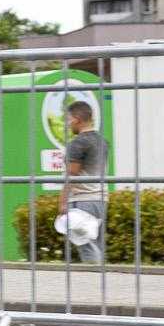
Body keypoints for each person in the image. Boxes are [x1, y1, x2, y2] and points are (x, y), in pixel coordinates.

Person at [59, 99, 108, 265]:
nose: (67, 124)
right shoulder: (102, 141)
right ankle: (101, 275)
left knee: (86, 245)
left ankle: (93, 277)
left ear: (76, 119)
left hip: (82, 200)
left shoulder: (77, 143)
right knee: (96, 243)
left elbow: (71, 174)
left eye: (68, 119)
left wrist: (62, 202)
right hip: (101, 199)